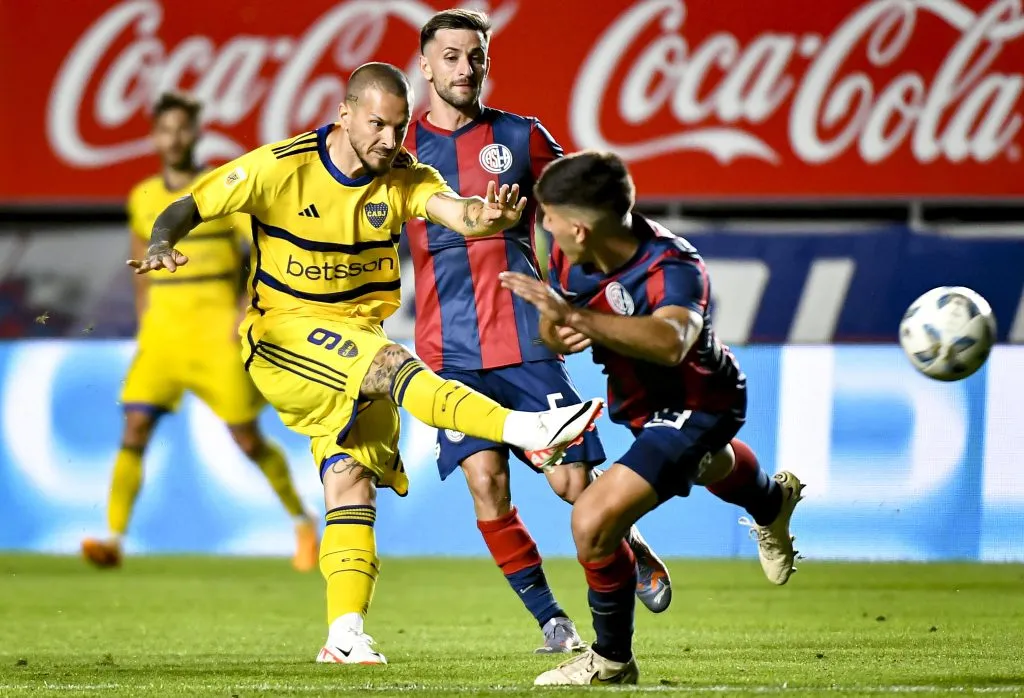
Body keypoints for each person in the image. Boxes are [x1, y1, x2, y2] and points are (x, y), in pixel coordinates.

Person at [127, 63, 604, 666]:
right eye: (376, 124)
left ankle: (344, 634)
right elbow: (186, 206)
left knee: (350, 480)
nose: (389, 139)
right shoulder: (280, 168)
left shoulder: (403, 176)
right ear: (344, 114)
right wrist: (164, 243)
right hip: (283, 334)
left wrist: (490, 220)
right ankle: (525, 428)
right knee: (393, 366)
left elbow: (454, 210)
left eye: (399, 128)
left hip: (352, 335)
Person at [405, 9, 672, 654]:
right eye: (450, 57)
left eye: (475, 56)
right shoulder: (400, 153)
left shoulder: (521, 139)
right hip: (447, 354)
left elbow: (579, 210)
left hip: (524, 339)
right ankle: (553, 622)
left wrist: (603, 291)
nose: (464, 69)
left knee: (571, 484)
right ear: (425, 64)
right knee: (484, 482)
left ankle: (628, 549)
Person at [500, 151, 804, 686]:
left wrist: (578, 317)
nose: (540, 223)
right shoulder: (573, 255)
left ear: (579, 225)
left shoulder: (673, 266)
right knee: (711, 468)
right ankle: (772, 501)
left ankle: (612, 661)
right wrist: (559, 328)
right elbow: (560, 327)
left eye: (547, 215)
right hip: (642, 404)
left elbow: (672, 341)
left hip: (700, 401)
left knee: (593, 522)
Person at [81, 92, 318, 571]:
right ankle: (112, 537)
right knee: (135, 426)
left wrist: (243, 307)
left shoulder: (219, 191)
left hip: (216, 335)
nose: (174, 138)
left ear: (196, 133)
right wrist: (145, 316)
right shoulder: (141, 196)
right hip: (163, 336)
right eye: (165, 129)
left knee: (246, 439)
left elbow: (263, 253)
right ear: (153, 136)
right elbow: (139, 257)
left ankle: (301, 521)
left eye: (182, 128)